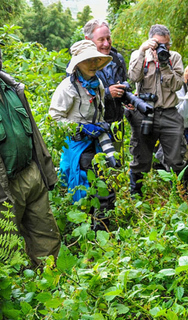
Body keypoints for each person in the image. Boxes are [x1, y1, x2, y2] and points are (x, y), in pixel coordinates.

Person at [0, 42, 60, 266]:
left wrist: (45, 172)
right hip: (4, 186)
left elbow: (34, 134)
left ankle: (50, 289)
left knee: (46, 237)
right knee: (8, 251)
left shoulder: (12, 88)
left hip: (30, 174)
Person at [49, 40, 115, 231]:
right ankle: (83, 230)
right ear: (78, 64)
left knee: (104, 183)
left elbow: (98, 111)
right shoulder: (67, 88)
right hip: (77, 144)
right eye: (89, 61)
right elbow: (54, 119)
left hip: (96, 143)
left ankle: (103, 228)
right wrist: (80, 128)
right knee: (82, 186)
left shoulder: (98, 84)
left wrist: (101, 126)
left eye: (96, 60)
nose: (94, 65)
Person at [127, 24, 185, 196]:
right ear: (150, 41)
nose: (163, 48)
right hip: (146, 112)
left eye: (167, 44)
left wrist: (165, 64)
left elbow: (176, 85)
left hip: (169, 112)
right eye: (159, 44)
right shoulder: (140, 56)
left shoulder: (174, 58)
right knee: (141, 157)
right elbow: (133, 77)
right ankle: (135, 195)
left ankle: (179, 193)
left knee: (176, 158)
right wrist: (142, 50)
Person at [83, 19, 128, 125]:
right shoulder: (80, 64)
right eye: (101, 40)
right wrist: (107, 93)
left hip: (116, 124)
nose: (107, 44)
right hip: (93, 126)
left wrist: (127, 98)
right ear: (88, 40)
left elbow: (123, 83)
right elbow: (79, 98)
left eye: (108, 38)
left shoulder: (117, 59)